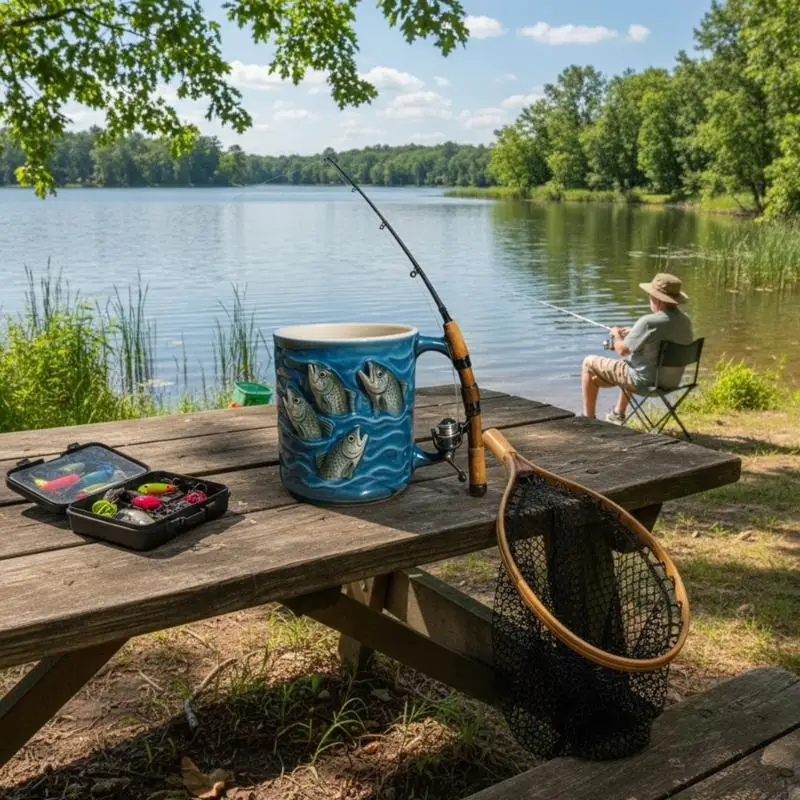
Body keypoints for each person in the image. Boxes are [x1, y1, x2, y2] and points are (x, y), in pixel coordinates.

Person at [581, 272, 694, 423]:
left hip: (644, 384)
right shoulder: (685, 321)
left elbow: (621, 350)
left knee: (588, 363)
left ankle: (588, 420)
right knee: (633, 361)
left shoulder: (648, 322)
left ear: (657, 299)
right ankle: (617, 414)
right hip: (671, 383)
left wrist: (616, 335)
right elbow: (662, 339)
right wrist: (635, 332)